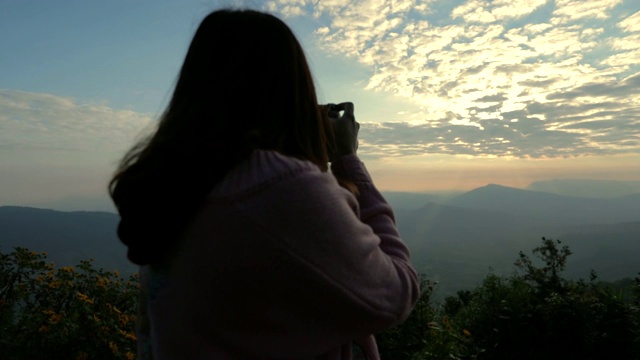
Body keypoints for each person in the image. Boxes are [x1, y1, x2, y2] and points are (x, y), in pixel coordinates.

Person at [109, 8, 419, 360]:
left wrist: (306, 151)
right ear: (292, 90)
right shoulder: (281, 188)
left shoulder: (176, 184)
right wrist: (347, 159)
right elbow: (394, 294)